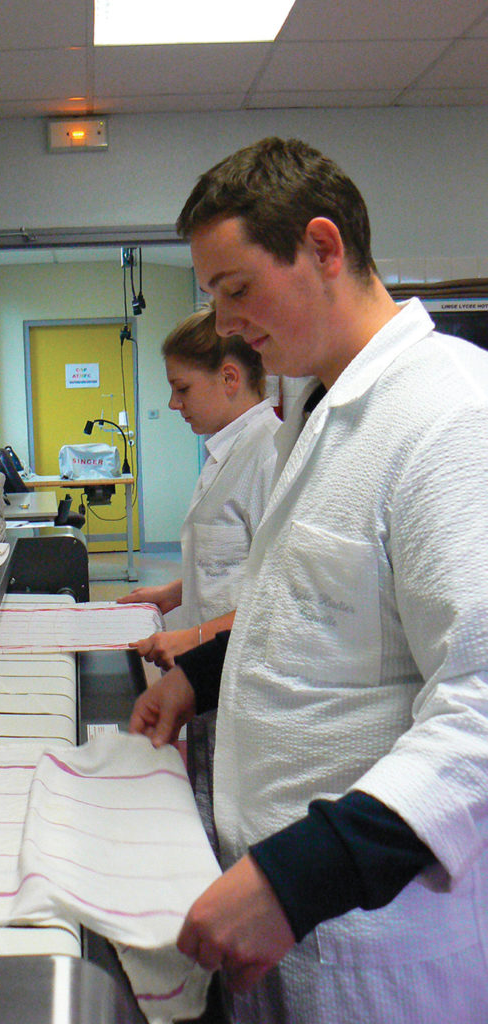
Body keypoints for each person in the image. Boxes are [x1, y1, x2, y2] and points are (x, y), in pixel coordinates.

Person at [130, 136, 488, 1023]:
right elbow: (322, 614)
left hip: (370, 934)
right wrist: (199, 675)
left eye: (236, 289)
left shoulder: (450, 416)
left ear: (323, 248)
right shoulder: (316, 411)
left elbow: (478, 703)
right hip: (286, 918)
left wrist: (297, 880)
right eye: (212, 297)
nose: (223, 326)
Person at [118, 305, 279, 669]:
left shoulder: (268, 455)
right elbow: (232, 567)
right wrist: (172, 594)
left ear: (229, 379)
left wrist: (193, 639)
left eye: (182, 389)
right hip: (211, 671)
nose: (174, 404)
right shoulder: (229, 451)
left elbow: (282, 600)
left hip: (243, 674)